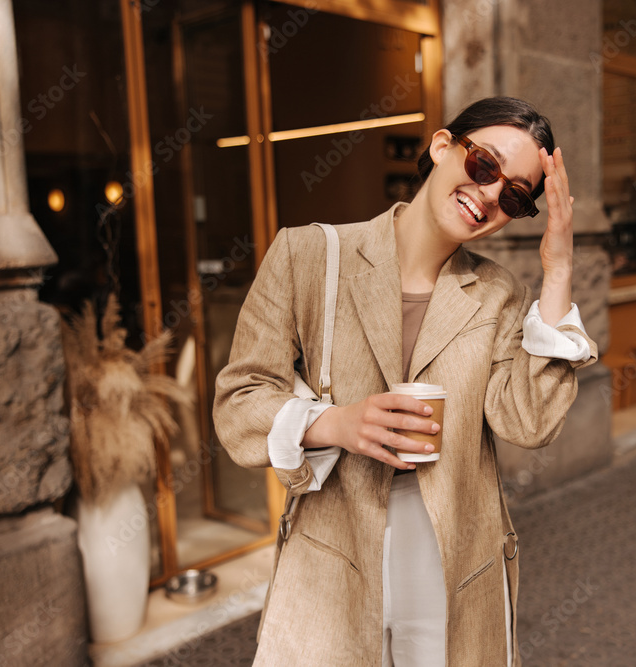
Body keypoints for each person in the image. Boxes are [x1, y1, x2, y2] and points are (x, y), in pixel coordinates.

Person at [213, 96, 598, 667]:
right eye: (485, 165)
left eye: (515, 196)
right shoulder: (307, 255)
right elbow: (239, 403)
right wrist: (335, 423)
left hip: (454, 562)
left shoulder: (500, 295)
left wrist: (558, 269)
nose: (489, 195)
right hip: (331, 554)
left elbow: (530, 422)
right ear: (442, 146)